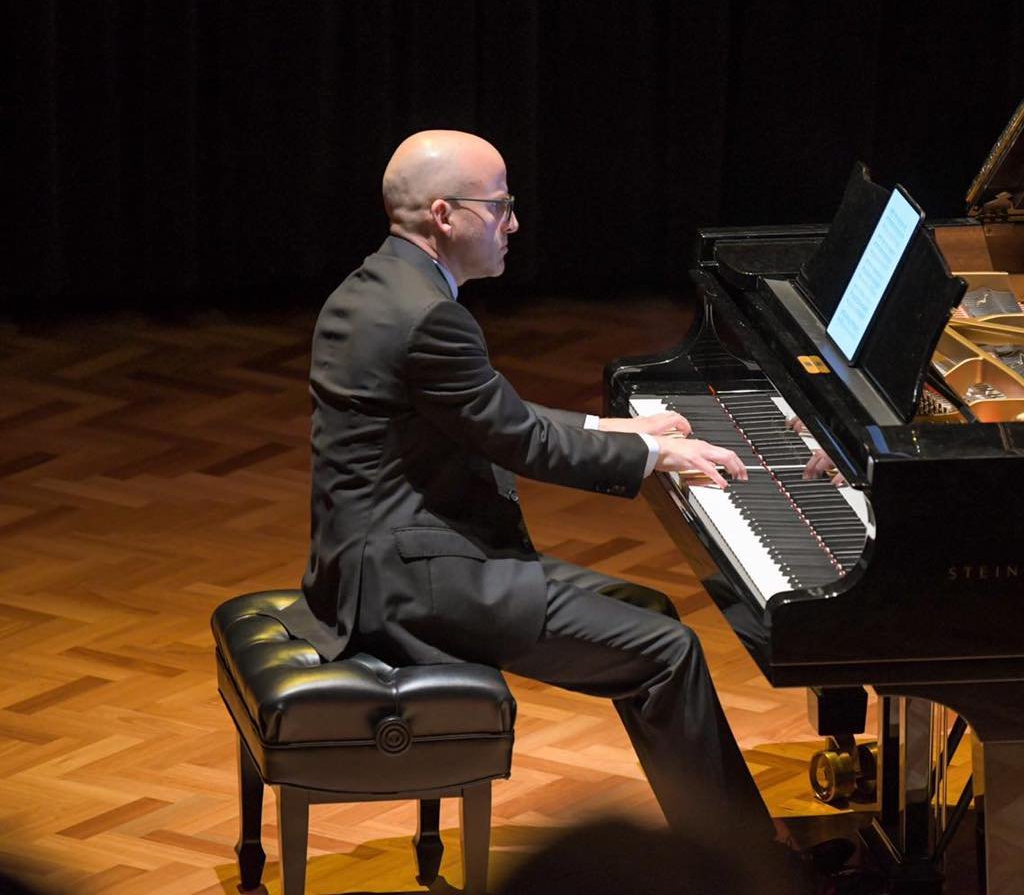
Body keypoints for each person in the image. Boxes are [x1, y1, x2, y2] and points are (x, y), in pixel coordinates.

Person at [276, 130, 776, 849]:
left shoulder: (371, 288)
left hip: (369, 566)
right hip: (415, 584)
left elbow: (493, 414)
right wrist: (656, 456)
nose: (513, 223)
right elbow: (522, 441)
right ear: (444, 215)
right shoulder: (431, 318)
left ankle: (717, 849)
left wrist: (618, 428)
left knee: (652, 616)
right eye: (500, 205)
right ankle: (741, 866)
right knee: (669, 653)